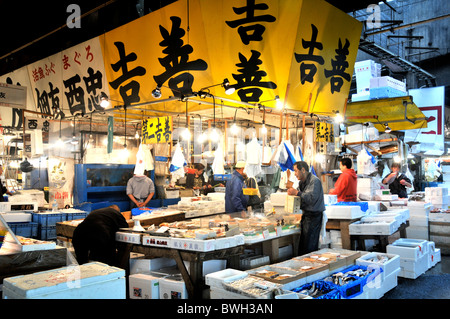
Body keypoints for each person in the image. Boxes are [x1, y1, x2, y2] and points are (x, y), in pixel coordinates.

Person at [287, 161, 325, 255]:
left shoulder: (314, 181)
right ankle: (303, 266)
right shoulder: (301, 183)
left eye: (296, 171)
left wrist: (296, 193)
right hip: (306, 216)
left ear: (303, 170)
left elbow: (311, 198)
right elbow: (300, 198)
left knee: (310, 246)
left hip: (314, 217)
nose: (295, 174)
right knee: (303, 245)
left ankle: (311, 266)